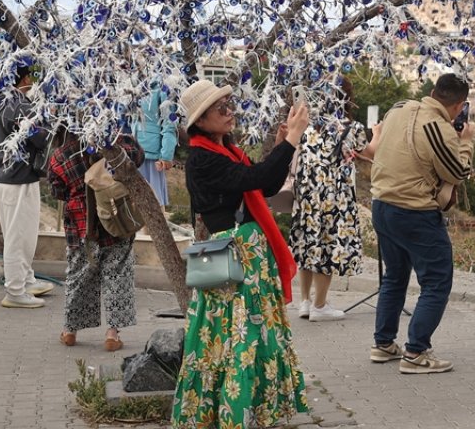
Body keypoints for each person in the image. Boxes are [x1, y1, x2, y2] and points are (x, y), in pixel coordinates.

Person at [171, 80, 310, 428]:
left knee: (252, 333)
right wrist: (291, 139)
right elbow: (256, 178)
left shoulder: (225, 152)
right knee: (237, 337)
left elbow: (263, 185)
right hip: (234, 258)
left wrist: (282, 145)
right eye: (221, 109)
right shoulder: (203, 160)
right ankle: (233, 411)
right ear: (200, 121)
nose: (230, 112)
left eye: (230, 104)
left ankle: (256, 410)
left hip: (247, 255)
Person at [368, 73, 473, 375]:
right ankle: (415, 352)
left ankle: (383, 343)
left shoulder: (398, 108)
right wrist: (465, 143)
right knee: (437, 280)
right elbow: (457, 172)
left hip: (382, 205)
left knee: (395, 276)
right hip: (413, 211)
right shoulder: (438, 127)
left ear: (431, 91)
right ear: (459, 106)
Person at [289, 76, 381, 322]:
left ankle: (306, 302)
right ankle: (320, 305)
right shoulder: (351, 128)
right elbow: (372, 153)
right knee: (328, 247)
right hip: (334, 197)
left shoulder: (308, 126)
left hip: (308, 195)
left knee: (309, 246)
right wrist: (378, 133)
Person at [46, 129, 138, 353]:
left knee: (78, 276)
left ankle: (70, 331)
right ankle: (112, 335)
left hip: (80, 225)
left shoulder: (60, 154)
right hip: (113, 217)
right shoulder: (114, 143)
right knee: (117, 274)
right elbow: (137, 157)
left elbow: (56, 190)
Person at [0, 62, 53, 308]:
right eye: (29, 77)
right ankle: (15, 291)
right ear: (23, 79)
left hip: (5, 176)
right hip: (19, 177)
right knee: (19, 237)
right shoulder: (17, 103)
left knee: (16, 233)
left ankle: (25, 280)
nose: (32, 83)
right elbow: (40, 136)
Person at [133, 81, 178, 207]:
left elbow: (169, 122)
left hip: (151, 156)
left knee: (153, 204)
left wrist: (166, 156)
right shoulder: (130, 79)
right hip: (130, 152)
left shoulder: (162, 85)